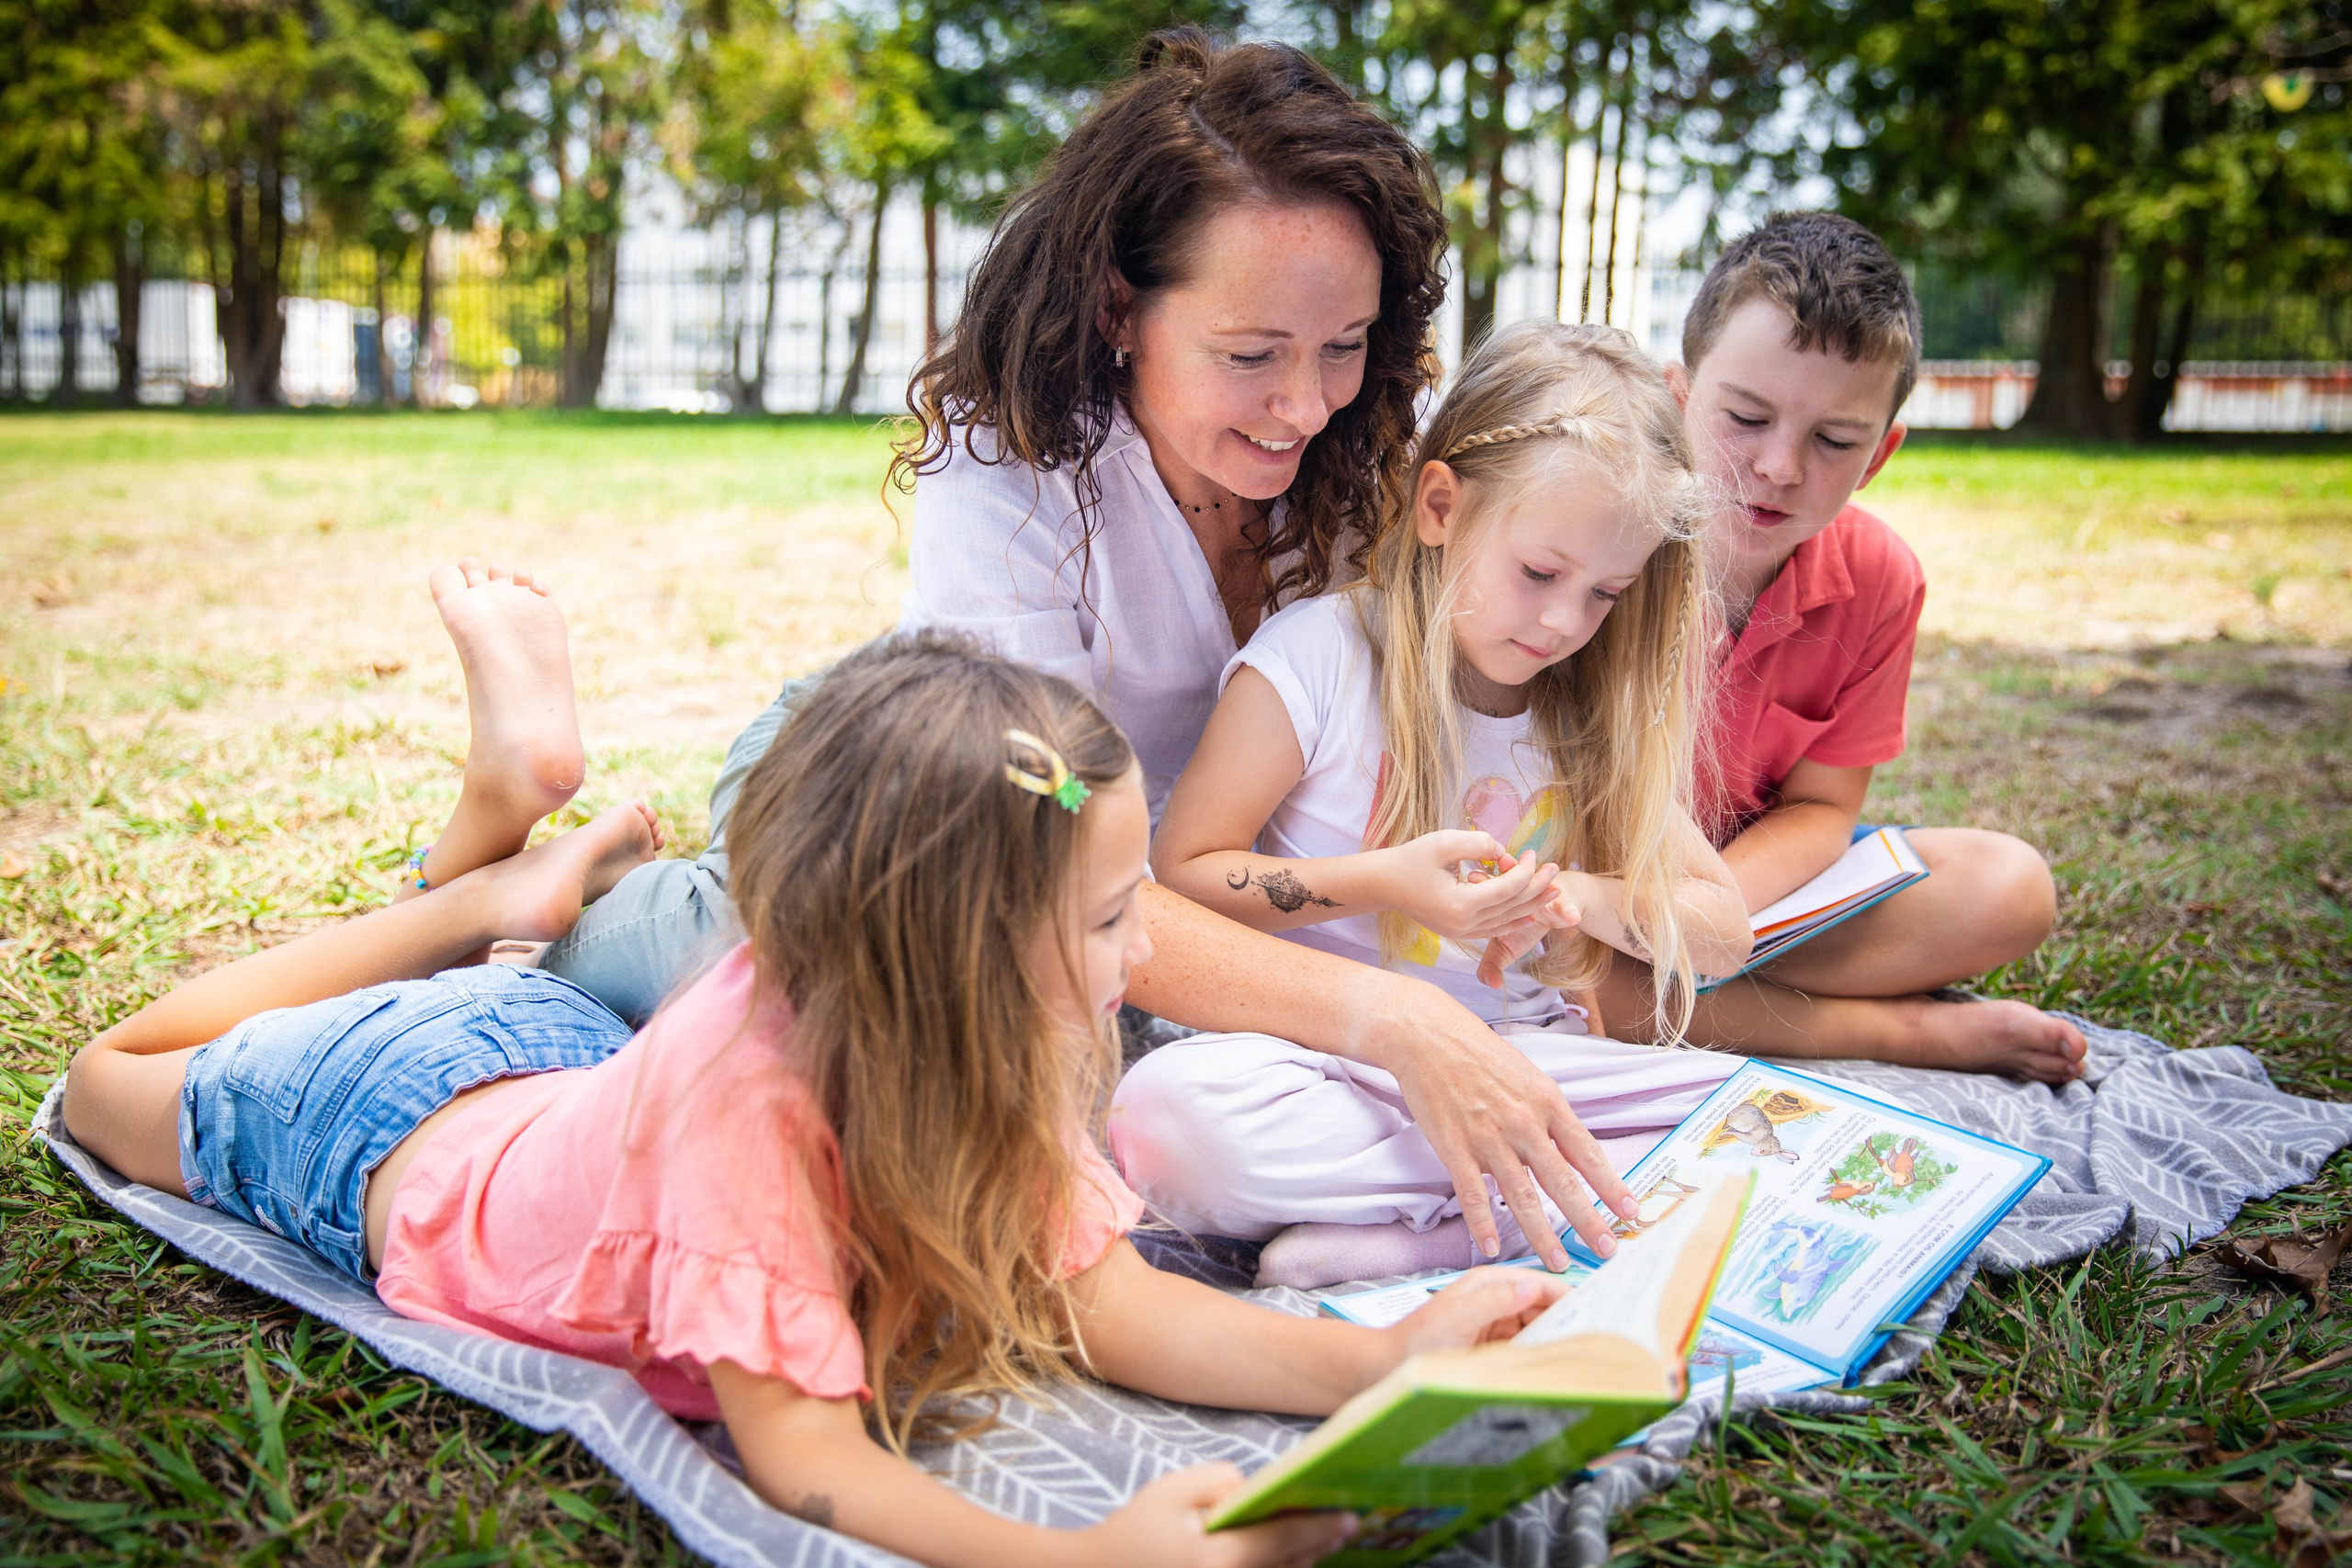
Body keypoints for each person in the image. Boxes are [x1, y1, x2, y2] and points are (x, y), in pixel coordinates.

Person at [62, 612, 1576, 1568]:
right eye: (1111, 921)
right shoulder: (751, 1110)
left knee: (521, 1003)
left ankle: (508, 907)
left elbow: (1103, 1300)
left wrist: (1375, 1372)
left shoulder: (999, 1032)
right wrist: (1084, 1555)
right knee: (100, 1081)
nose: (1142, 957)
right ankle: (481, 901)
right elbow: (804, 1460)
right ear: (960, 950)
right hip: (378, 1125)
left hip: (571, 1072)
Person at [528, 29, 1642, 1266]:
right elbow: (1039, 834)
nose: (1307, 404)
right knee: (789, 978)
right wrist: (1384, 1014)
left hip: (1161, 871)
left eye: (1344, 345)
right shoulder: (1004, 461)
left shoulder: (1387, 437)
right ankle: (563, 894)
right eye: (1249, 354)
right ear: (1121, 306)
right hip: (954, 793)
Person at [1120, 321, 1756, 1291]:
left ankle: (1416, 1243)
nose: (1562, 623)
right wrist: (1383, 884)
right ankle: (1518, 1210)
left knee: (1750, 1115)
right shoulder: (1317, 660)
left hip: (1517, 1065)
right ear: (1440, 506)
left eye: (1604, 594)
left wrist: (1575, 902)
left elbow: (1722, 935)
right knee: (1166, 1120)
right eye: (1540, 574)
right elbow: (1185, 871)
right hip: (1319, 1061)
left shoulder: (1575, 712)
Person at [1591, 211, 2086, 1084]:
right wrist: (1664, 920)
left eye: (1833, 441)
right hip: (1597, 892)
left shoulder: (1880, 577)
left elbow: (1821, 810)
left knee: (2012, 885)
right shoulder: (1594, 537)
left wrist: (1711, 919)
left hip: (1749, 894)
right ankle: (1903, 1033)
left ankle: (1685, 988)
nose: (1780, 465)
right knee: (1581, 980)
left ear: (1881, 454)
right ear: (1677, 398)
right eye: (1745, 417)